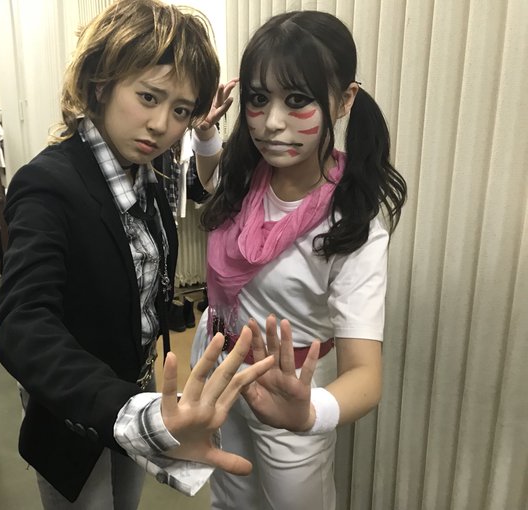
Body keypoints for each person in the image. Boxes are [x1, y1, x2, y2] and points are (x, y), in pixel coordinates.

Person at [0, 1, 274, 509]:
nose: (161, 124)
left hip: (138, 389)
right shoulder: (49, 183)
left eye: (181, 110)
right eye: (148, 97)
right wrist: (123, 408)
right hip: (76, 405)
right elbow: (22, 321)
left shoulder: (148, 173)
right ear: (101, 83)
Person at [190, 11, 408, 510]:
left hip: (287, 395)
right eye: (258, 99)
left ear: (345, 100)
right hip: (221, 366)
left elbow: (365, 376)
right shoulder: (246, 177)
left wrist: (307, 413)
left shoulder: (352, 227)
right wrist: (205, 135)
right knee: (230, 498)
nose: (271, 123)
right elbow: (210, 183)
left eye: (297, 100)